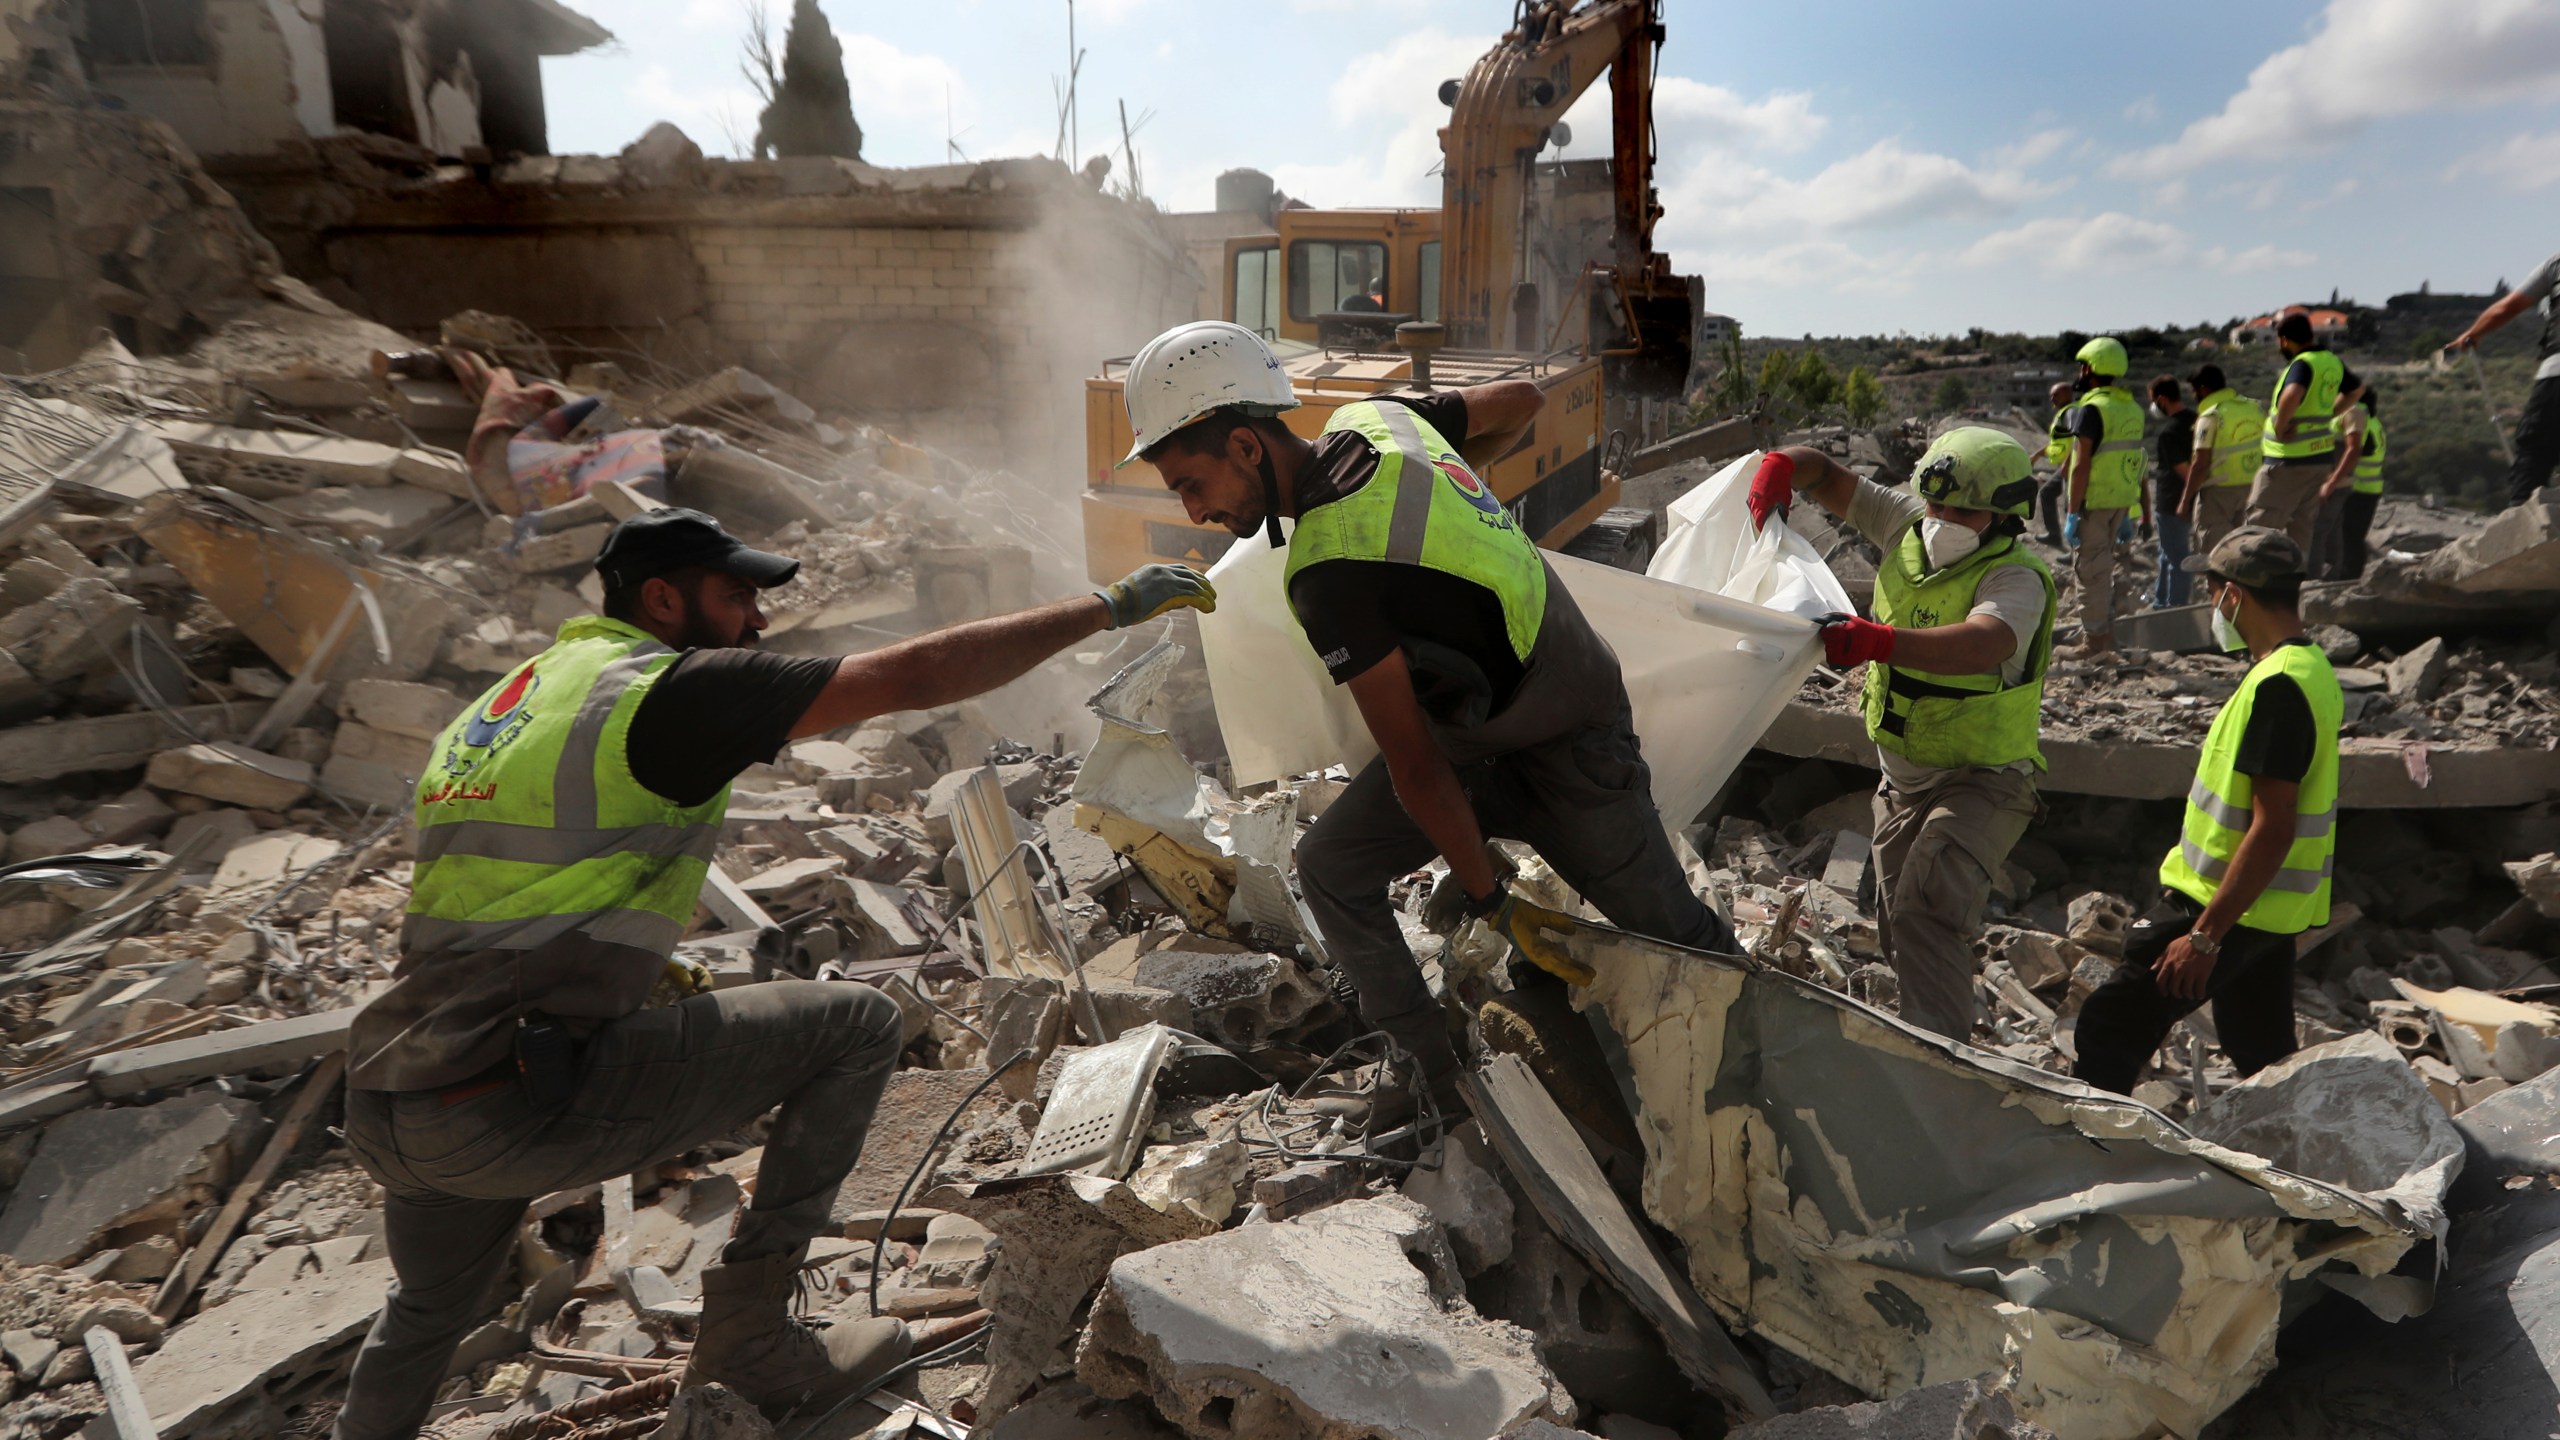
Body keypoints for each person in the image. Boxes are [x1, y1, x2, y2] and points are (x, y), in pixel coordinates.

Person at [331, 509, 1216, 1440]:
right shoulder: (659, 690)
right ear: (662, 599)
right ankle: (750, 1342)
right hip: (511, 1098)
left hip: (399, 1091)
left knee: (426, 1314)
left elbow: (506, 897)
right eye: (735, 596)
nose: (756, 620)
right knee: (858, 1025)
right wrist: (1107, 605)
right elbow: (912, 676)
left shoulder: (506, 705)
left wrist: (617, 978)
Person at [1123, 319, 1733, 1108]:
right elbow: (1522, 398)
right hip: (1494, 727)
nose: (1195, 510)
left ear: (1244, 447)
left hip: (1566, 746)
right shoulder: (1380, 419)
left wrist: (1490, 902)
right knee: (1331, 867)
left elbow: (1415, 767)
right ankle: (1437, 1077)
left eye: (1189, 485)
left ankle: (1753, 1062)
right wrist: (1461, 483)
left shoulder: (1326, 571)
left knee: (1681, 942)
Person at [1749, 430, 2055, 1040]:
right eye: (1935, 506)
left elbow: (1983, 642)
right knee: (1897, 927)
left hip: (1982, 781)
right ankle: (1931, 1033)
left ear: (2006, 514)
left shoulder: (2015, 578)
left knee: (1927, 915)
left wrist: (1877, 640)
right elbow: (1827, 475)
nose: (1940, 521)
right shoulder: (1906, 524)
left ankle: (1942, 1071)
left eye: (1961, 511)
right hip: (1903, 780)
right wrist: (1783, 465)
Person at [2073, 528, 2338, 1095]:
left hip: (2220, 906)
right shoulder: (2309, 669)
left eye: (2212, 589)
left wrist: (2203, 937)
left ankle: (2090, 1156)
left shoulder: (2280, 687)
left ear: (2233, 596)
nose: (2212, 604)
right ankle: (2294, 1157)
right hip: (2268, 914)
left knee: (2109, 1027)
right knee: (2260, 1051)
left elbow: (2274, 827)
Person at [2446, 251, 2560, 508]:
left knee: (2536, 453)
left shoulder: (2556, 264)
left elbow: (2506, 308)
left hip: (2556, 376)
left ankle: (2521, 526)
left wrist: (2472, 335)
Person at [2245, 313, 2364, 551]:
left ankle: (2251, 582)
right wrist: (2329, 414)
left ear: (2285, 340)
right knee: (2301, 529)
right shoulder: (2331, 361)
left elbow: (2292, 394)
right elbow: (2356, 390)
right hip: (2319, 459)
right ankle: (2292, 581)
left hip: (2288, 460)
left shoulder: (2303, 363)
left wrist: (2280, 428)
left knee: (2259, 528)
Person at [2060, 336, 2145, 657]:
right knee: (2106, 568)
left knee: (2091, 572)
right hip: (2120, 501)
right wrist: (2130, 509)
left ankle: (2094, 643)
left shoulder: (2092, 410)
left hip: (2092, 503)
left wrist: (2071, 511)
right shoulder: (2132, 409)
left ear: (2091, 368)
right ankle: (2108, 635)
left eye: (2084, 366)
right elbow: (2134, 460)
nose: (2080, 372)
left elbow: (2081, 465)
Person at [2182, 364, 2264, 562]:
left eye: (2194, 391)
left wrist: (2185, 501)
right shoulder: (2253, 408)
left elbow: (2200, 464)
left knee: (2215, 554)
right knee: (2244, 549)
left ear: (2204, 389)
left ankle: (2220, 591)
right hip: (2252, 487)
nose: (2194, 396)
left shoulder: (2211, 415)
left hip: (2218, 492)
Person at [2323, 392, 2386, 580]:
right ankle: (2352, 577)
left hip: (2357, 488)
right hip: (2370, 487)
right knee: (2354, 537)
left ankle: (2347, 578)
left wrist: (2333, 480)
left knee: (2348, 538)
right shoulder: (2374, 422)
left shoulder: (2360, 421)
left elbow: (2354, 451)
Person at [2148, 375, 2195, 608]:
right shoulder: (2197, 421)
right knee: (2167, 555)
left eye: (2154, 400)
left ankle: (2175, 608)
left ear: (2162, 399)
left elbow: (2185, 471)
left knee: (2177, 559)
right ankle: (2160, 602)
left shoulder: (2170, 432)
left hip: (2172, 502)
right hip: (2190, 500)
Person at [2037, 380, 2074, 545]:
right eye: (2051, 395)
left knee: (2071, 506)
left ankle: (2073, 545)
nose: (2052, 399)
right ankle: (2056, 537)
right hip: (2067, 464)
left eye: (2056, 395)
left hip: (2072, 465)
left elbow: (2078, 440)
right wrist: (2037, 455)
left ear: (2067, 394)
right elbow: (2058, 443)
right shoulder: (2064, 413)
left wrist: (2068, 463)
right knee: (2048, 494)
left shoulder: (2071, 413)